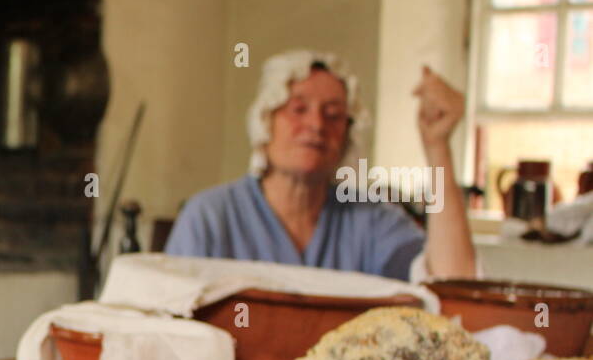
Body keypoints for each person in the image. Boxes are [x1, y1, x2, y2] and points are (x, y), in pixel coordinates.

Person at [165, 50, 477, 281]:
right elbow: (168, 325)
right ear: (264, 122)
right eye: (298, 109)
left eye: (333, 114)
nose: (316, 124)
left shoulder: (369, 221)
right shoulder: (209, 217)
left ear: (347, 134)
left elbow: (453, 284)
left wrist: (437, 147)